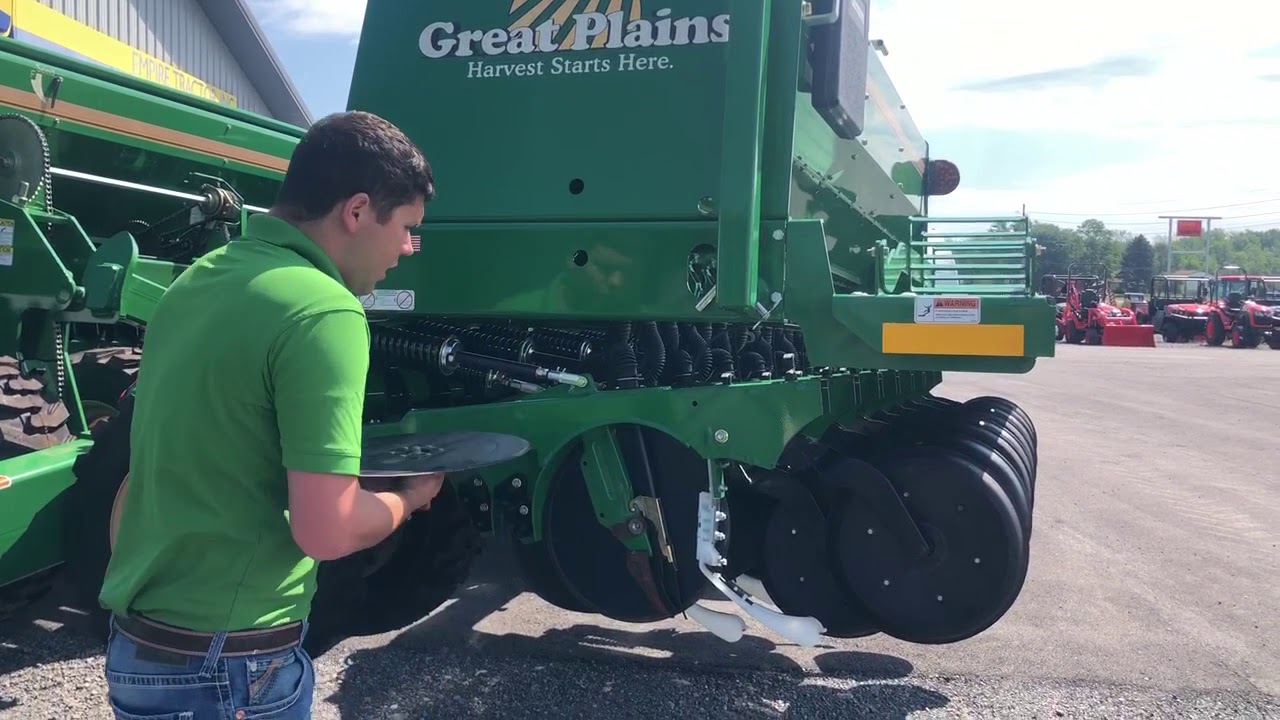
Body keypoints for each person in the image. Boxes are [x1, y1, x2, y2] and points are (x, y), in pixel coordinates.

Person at [96, 111, 443, 720]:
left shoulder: (198, 281)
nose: (409, 247)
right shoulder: (325, 311)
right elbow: (326, 530)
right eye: (407, 227)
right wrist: (409, 499)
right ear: (357, 211)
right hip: (230, 667)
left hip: (140, 650)